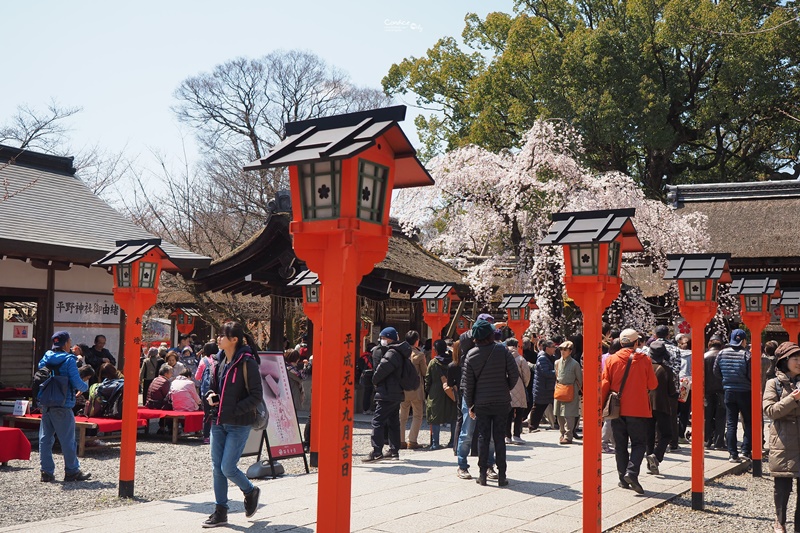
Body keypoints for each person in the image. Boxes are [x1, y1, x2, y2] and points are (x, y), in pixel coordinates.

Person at [203, 321, 262, 528]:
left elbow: (256, 396)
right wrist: (211, 396)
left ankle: (250, 490)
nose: (218, 338)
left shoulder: (248, 363)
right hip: (218, 421)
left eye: (222, 335)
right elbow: (210, 388)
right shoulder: (217, 362)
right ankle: (221, 511)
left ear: (234, 339)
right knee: (216, 468)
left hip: (239, 423)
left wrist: (232, 410)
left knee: (227, 467)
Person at [601, 328, 657, 494]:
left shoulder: (611, 360)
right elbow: (653, 385)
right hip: (638, 408)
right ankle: (631, 473)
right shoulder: (644, 360)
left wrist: (600, 406)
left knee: (620, 445)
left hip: (617, 409)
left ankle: (622, 479)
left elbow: (604, 384)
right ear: (636, 343)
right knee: (639, 443)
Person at [463, 319, 519, 486]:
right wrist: (506, 387)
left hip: (482, 403)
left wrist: (470, 405)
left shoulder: (471, 355)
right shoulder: (502, 351)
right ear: (490, 334)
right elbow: (514, 374)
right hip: (501, 401)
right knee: (499, 438)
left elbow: (468, 385)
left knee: (483, 437)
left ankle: (482, 474)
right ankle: (502, 475)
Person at [38, 331, 91, 482]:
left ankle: (46, 472)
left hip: (46, 402)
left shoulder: (45, 358)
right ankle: (72, 471)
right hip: (63, 404)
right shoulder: (69, 360)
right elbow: (76, 382)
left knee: (45, 439)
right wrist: (85, 387)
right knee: (67, 440)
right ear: (66, 343)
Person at [455, 313, 498, 480]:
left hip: (488, 390)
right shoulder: (468, 340)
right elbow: (464, 337)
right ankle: (462, 465)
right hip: (470, 391)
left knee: (491, 434)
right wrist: (479, 328)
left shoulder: (494, 345)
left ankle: (489, 465)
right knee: (467, 431)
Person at [763, 342, 800, 533]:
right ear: (784, 361)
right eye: (795, 358)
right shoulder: (773, 384)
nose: (799, 362)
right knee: (782, 486)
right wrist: (792, 398)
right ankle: (780, 521)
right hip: (784, 442)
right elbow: (770, 411)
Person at [364, 327, 410, 462]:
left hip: (386, 392)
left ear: (389, 338)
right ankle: (394, 451)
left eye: (383, 338)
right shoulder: (401, 352)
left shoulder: (391, 353)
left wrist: (374, 381)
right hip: (397, 391)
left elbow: (380, 371)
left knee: (378, 421)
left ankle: (377, 451)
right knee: (393, 421)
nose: (381, 340)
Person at [713, 328, 753, 463]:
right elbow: (750, 375)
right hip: (745, 391)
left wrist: (726, 380)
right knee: (748, 422)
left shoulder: (722, 353)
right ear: (743, 341)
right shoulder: (747, 354)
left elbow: (716, 372)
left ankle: (732, 453)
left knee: (731, 423)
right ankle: (746, 451)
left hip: (728, 390)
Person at [645, 340, 676, 475]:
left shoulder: (645, 368)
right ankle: (656, 457)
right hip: (661, 404)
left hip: (646, 404)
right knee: (667, 434)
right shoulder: (666, 370)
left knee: (649, 434)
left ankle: (649, 463)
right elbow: (671, 391)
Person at [425, 339, 457, 450]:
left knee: (435, 418)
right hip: (451, 392)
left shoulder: (433, 363)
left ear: (435, 349)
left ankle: (435, 443)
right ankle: (453, 441)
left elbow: (427, 379)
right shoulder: (453, 361)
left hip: (435, 393)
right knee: (454, 417)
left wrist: (427, 391)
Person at [399, 330, 427, 450]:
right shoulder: (420, 355)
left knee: (402, 415)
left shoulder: (400, 353)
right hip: (416, 389)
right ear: (416, 341)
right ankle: (412, 441)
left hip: (403, 388)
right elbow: (425, 372)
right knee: (417, 415)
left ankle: (400, 440)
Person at [554, 340, 582, 445]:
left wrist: (576, 390)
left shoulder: (575, 364)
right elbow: (556, 376)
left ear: (570, 351)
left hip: (571, 389)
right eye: (561, 349)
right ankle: (562, 433)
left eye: (565, 349)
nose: (562, 351)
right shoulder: (557, 362)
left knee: (569, 414)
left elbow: (579, 379)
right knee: (559, 414)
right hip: (560, 388)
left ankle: (568, 435)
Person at [505, 338, 531, 444]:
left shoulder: (504, 357)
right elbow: (526, 374)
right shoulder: (520, 359)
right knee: (519, 412)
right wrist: (524, 384)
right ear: (516, 346)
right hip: (519, 386)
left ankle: (507, 436)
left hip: (506, 387)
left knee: (508, 414)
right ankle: (516, 435)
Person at [703, 335, 726, 450]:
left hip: (707, 390)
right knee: (721, 416)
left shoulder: (704, 356)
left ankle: (707, 439)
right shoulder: (722, 356)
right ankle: (719, 441)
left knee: (707, 416)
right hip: (721, 389)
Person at [529, 339, 557, 430]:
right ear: (547, 348)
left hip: (546, 387)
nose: (554, 349)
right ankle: (532, 426)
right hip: (542, 388)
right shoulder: (542, 358)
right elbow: (546, 372)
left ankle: (554, 424)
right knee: (538, 407)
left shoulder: (549, 357)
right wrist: (557, 372)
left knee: (542, 407)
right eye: (553, 347)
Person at [195, 342, 219, 444]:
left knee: (208, 413)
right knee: (218, 412)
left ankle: (206, 436)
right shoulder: (221, 359)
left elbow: (197, 377)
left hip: (206, 391)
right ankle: (218, 435)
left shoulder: (203, 361)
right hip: (218, 391)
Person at [356, 342, 375, 414]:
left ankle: (365, 409)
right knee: (369, 393)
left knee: (367, 393)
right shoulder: (372, 356)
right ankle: (368, 408)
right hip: (370, 376)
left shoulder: (362, 357)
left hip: (364, 376)